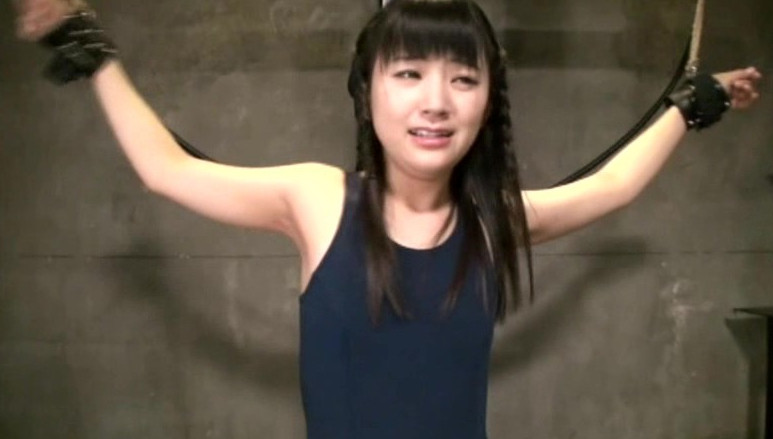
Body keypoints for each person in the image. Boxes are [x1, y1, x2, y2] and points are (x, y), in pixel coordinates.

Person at [14, 0, 762, 438]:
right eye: (408, 73)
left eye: (462, 79)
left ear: (486, 103)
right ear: (366, 89)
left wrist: (693, 104)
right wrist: (92, 51)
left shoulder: (492, 221)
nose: (435, 101)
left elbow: (616, 185)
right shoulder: (316, 199)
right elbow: (166, 169)